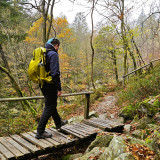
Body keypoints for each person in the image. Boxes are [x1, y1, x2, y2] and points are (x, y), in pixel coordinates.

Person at [35, 38, 68, 139]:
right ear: (56, 45)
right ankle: (40, 132)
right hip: (50, 84)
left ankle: (59, 123)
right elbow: (55, 73)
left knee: (51, 104)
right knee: (49, 107)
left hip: (43, 84)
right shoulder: (53, 54)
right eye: (58, 47)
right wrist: (59, 88)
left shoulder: (43, 54)